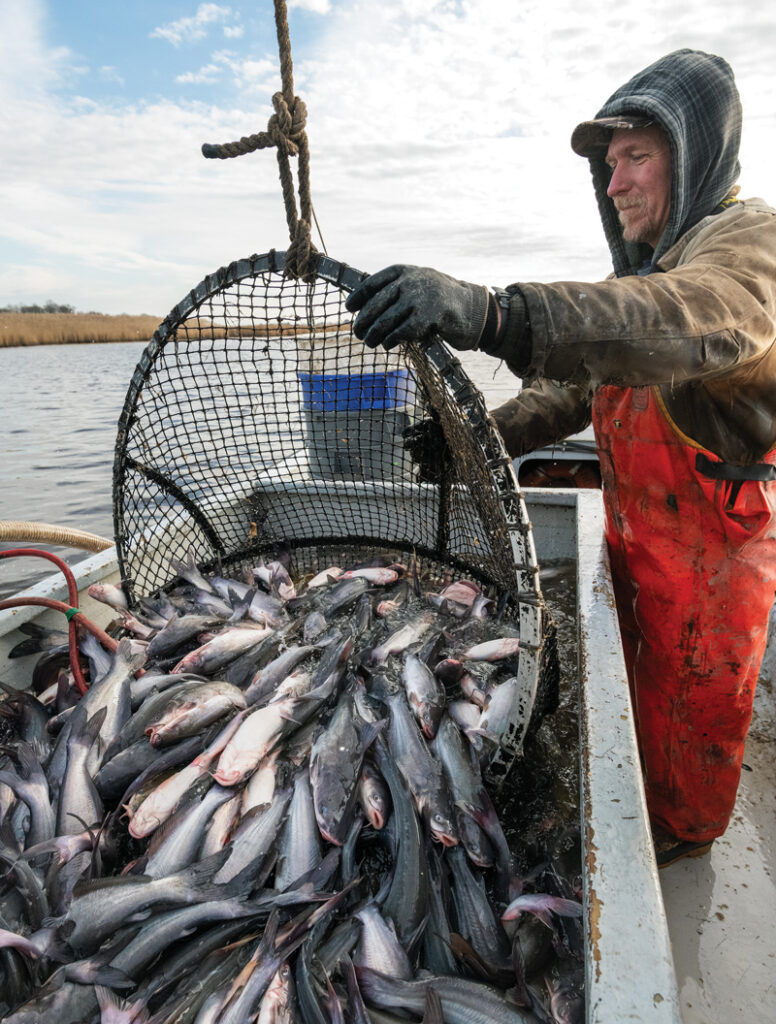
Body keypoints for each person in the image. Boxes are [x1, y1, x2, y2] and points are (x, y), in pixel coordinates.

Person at [345, 49, 776, 867]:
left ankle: (673, 852)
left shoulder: (747, 248)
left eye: (637, 157)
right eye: (610, 166)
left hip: (709, 571)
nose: (614, 186)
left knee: (686, 762)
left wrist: (494, 314)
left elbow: (681, 322)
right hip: (643, 546)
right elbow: (581, 391)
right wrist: (480, 438)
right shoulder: (656, 267)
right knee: (644, 714)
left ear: (696, 154)